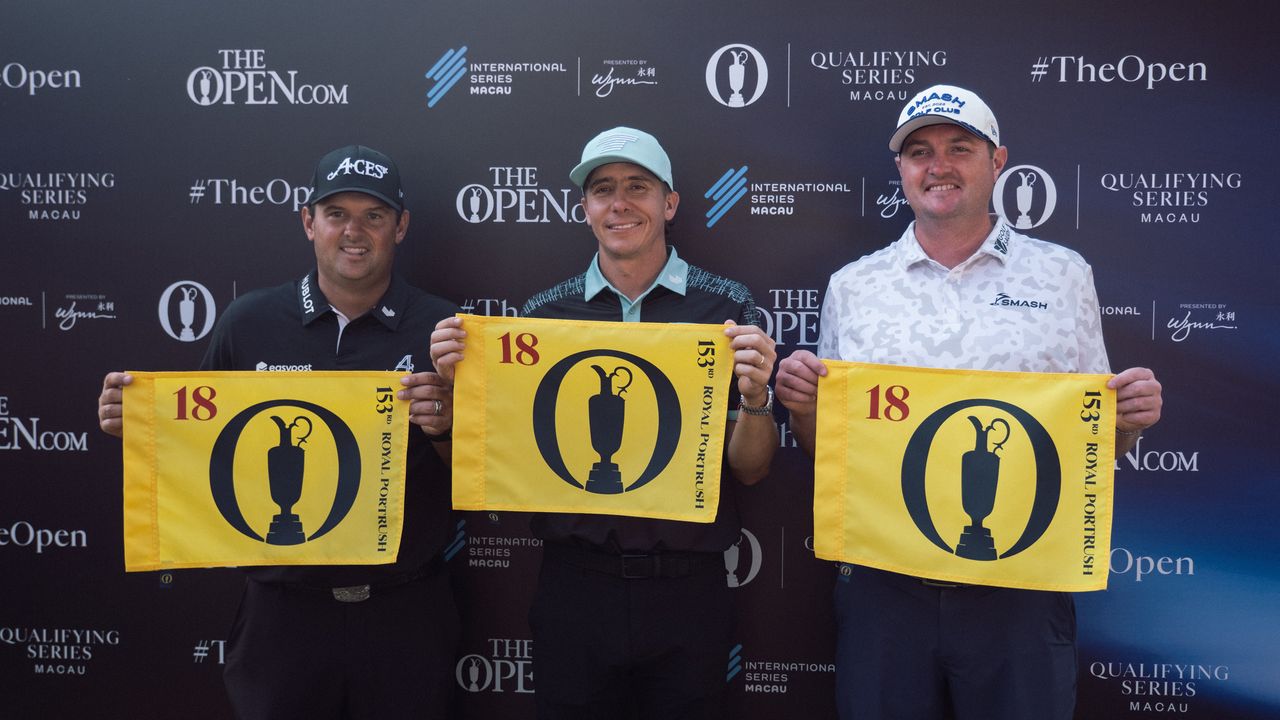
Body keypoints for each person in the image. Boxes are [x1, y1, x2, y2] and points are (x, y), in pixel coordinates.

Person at [774, 85, 1163, 720]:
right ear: (901, 169)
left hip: (1021, 586)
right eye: (920, 151)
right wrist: (804, 409)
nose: (939, 165)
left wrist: (1129, 422)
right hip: (885, 586)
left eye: (960, 147)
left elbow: (1093, 444)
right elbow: (831, 450)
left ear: (998, 160)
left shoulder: (1063, 275)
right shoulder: (855, 286)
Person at [97, 145, 460, 720]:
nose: (354, 232)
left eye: (374, 215)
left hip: (404, 613)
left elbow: (483, 473)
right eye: (337, 213)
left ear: (401, 227)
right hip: (282, 617)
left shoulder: (445, 328)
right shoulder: (250, 321)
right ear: (307, 221)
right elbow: (202, 450)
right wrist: (141, 430)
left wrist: (445, 430)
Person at [430, 127, 777, 719]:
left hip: (688, 587)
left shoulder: (726, 310)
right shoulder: (541, 318)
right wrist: (451, 404)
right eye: (602, 189)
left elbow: (750, 470)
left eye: (637, 186)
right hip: (575, 586)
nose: (619, 203)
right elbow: (496, 467)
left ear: (668, 203)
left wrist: (754, 399)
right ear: (584, 208)